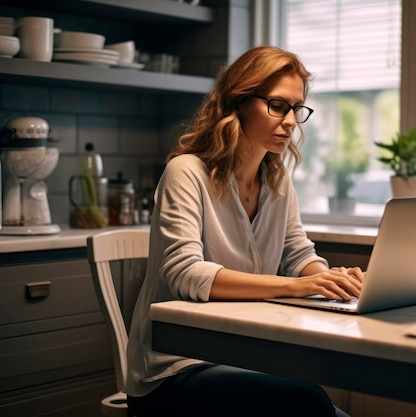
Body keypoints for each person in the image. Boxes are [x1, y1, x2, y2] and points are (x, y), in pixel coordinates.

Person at [125, 45, 365, 417]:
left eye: (296, 109)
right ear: (238, 103)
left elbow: (298, 255)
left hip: (247, 355)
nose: (290, 121)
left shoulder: (277, 179)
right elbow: (184, 273)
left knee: (322, 407)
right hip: (175, 369)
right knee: (310, 401)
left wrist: (330, 280)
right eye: (277, 105)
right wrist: (296, 286)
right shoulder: (186, 172)